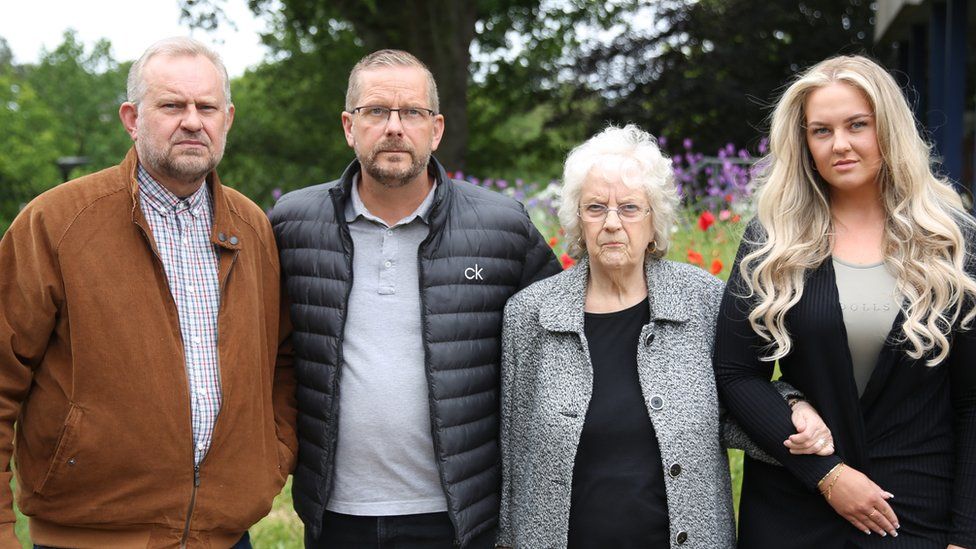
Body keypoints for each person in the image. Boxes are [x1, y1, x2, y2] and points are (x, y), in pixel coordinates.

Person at [0, 37, 297, 548]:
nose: (191, 120)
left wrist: (271, 456)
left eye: (206, 107)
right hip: (87, 536)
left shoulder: (253, 228)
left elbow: (283, 361)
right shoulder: (56, 224)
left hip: (225, 538)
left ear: (226, 119)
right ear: (132, 119)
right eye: (171, 105)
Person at [269, 49, 561, 548]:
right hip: (337, 514)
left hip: (458, 518)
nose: (394, 127)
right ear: (348, 125)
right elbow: (268, 351)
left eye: (412, 113)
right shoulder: (293, 224)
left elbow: (559, 346)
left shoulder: (502, 227)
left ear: (437, 128)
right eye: (376, 111)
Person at [497, 125, 835, 548]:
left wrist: (792, 403)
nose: (613, 224)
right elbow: (514, 454)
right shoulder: (531, 315)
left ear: (655, 221)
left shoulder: (704, 301)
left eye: (631, 208)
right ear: (577, 221)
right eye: (596, 208)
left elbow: (738, 401)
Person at [714, 55, 976, 548]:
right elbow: (734, 373)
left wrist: (966, 535)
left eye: (857, 125)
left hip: (915, 515)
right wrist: (827, 475)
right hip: (794, 510)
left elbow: (971, 402)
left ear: (889, 130)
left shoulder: (954, 243)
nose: (840, 145)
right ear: (804, 143)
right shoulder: (773, 242)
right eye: (821, 131)